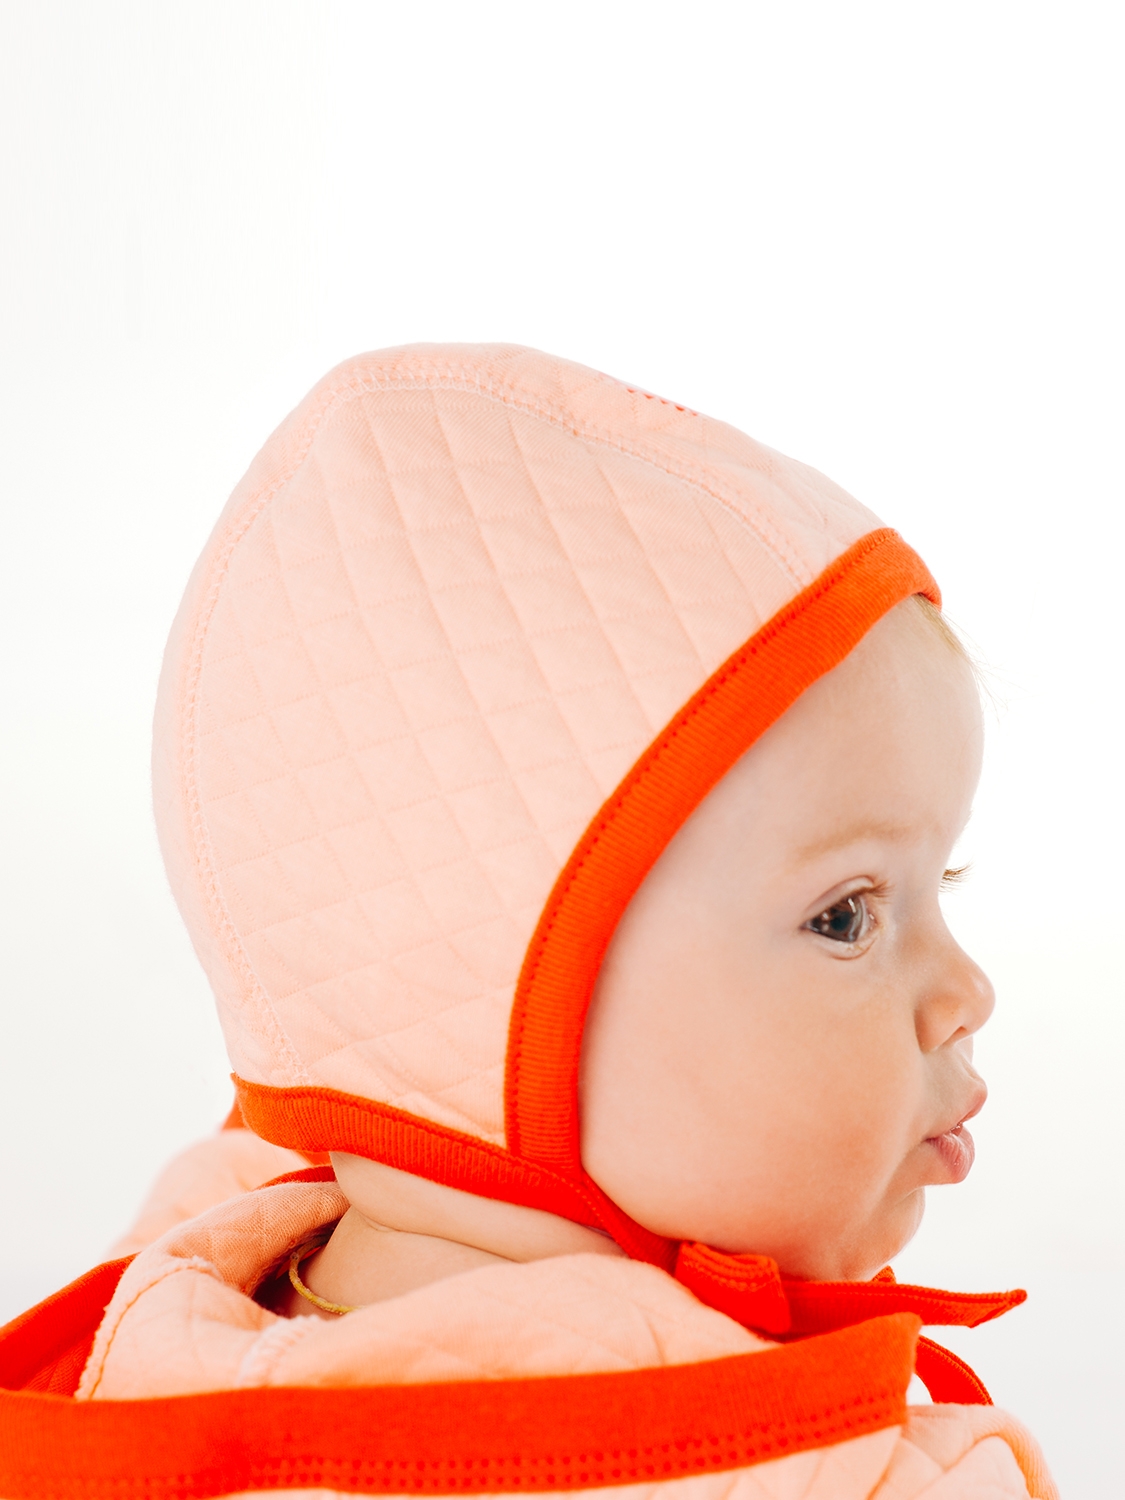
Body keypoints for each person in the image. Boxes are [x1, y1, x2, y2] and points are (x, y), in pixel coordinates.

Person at [0, 345, 1056, 1499]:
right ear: (494, 997)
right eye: (847, 916)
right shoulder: (851, 1477)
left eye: (943, 882)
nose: (969, 992)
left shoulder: (161, 1316)